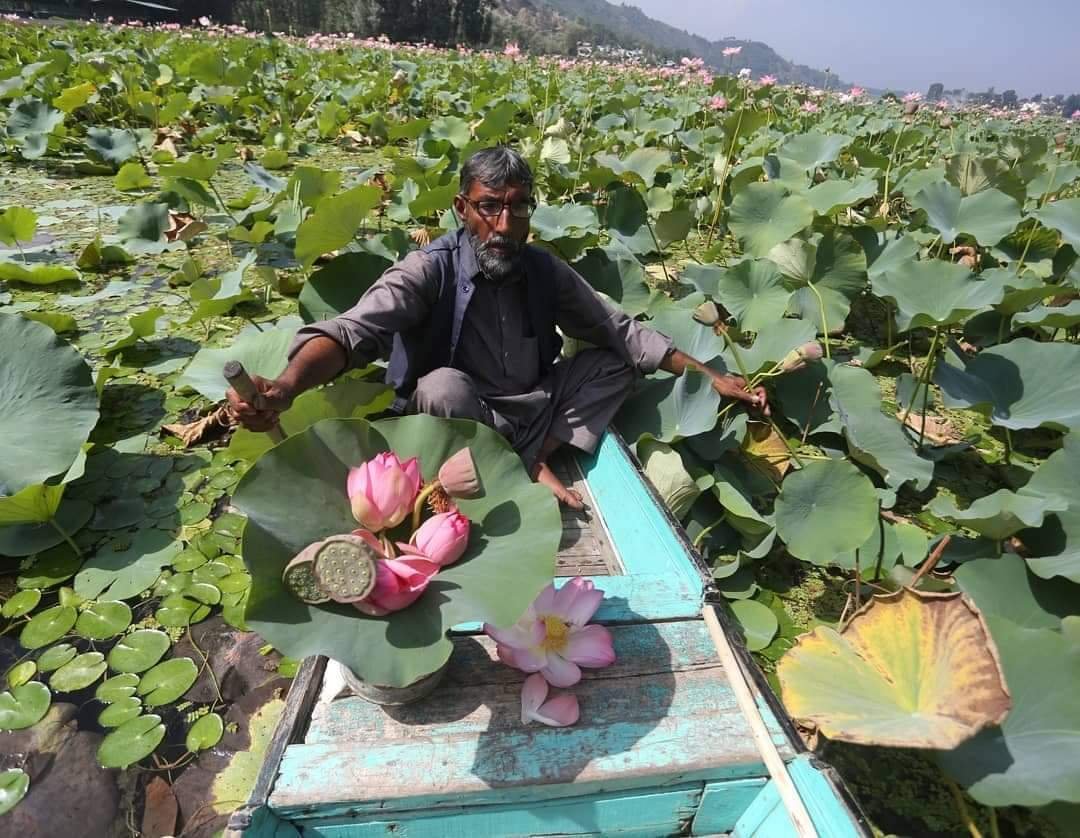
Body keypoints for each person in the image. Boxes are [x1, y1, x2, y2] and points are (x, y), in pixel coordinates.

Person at [227, 147, 767, 508]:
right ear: (463, 208)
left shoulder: (542, 269)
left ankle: (531, 458)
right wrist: (289, 385)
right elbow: (352, 332)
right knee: (441, 385)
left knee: (614, 362)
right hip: (461, 416)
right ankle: (511, 463)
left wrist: (712, 377)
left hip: (533, 408)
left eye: (518, 209)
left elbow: (618, 328)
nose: (504, 226)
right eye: (489, 208)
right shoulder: (428, 269)